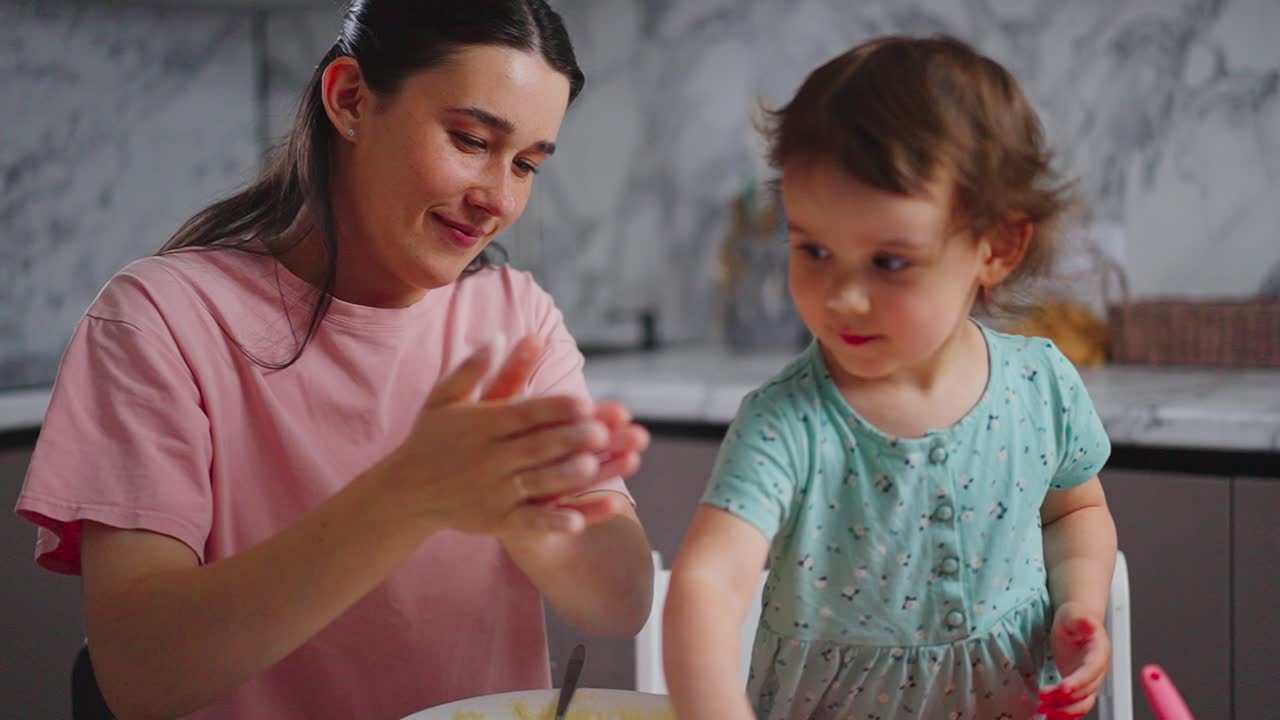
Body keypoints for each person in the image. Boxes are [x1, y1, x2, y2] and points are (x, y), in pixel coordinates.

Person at [14, 2, 654, 718]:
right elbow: (138, 675)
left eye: (528, 163)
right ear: (350, 99)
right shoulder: (161, 319)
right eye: (472, 139)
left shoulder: (515, 320)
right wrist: (411, 493)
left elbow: (620, 601)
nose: (499, 199)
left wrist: (532, 514)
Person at [663, 35, 1117, 720]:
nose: (843, 297)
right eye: (814, 248)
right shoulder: (788, 423)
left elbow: (1075, 510)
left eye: (889, 262)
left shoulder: (1041, 386)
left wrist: (1080, 601)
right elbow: (709, 582)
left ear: (997, 246)